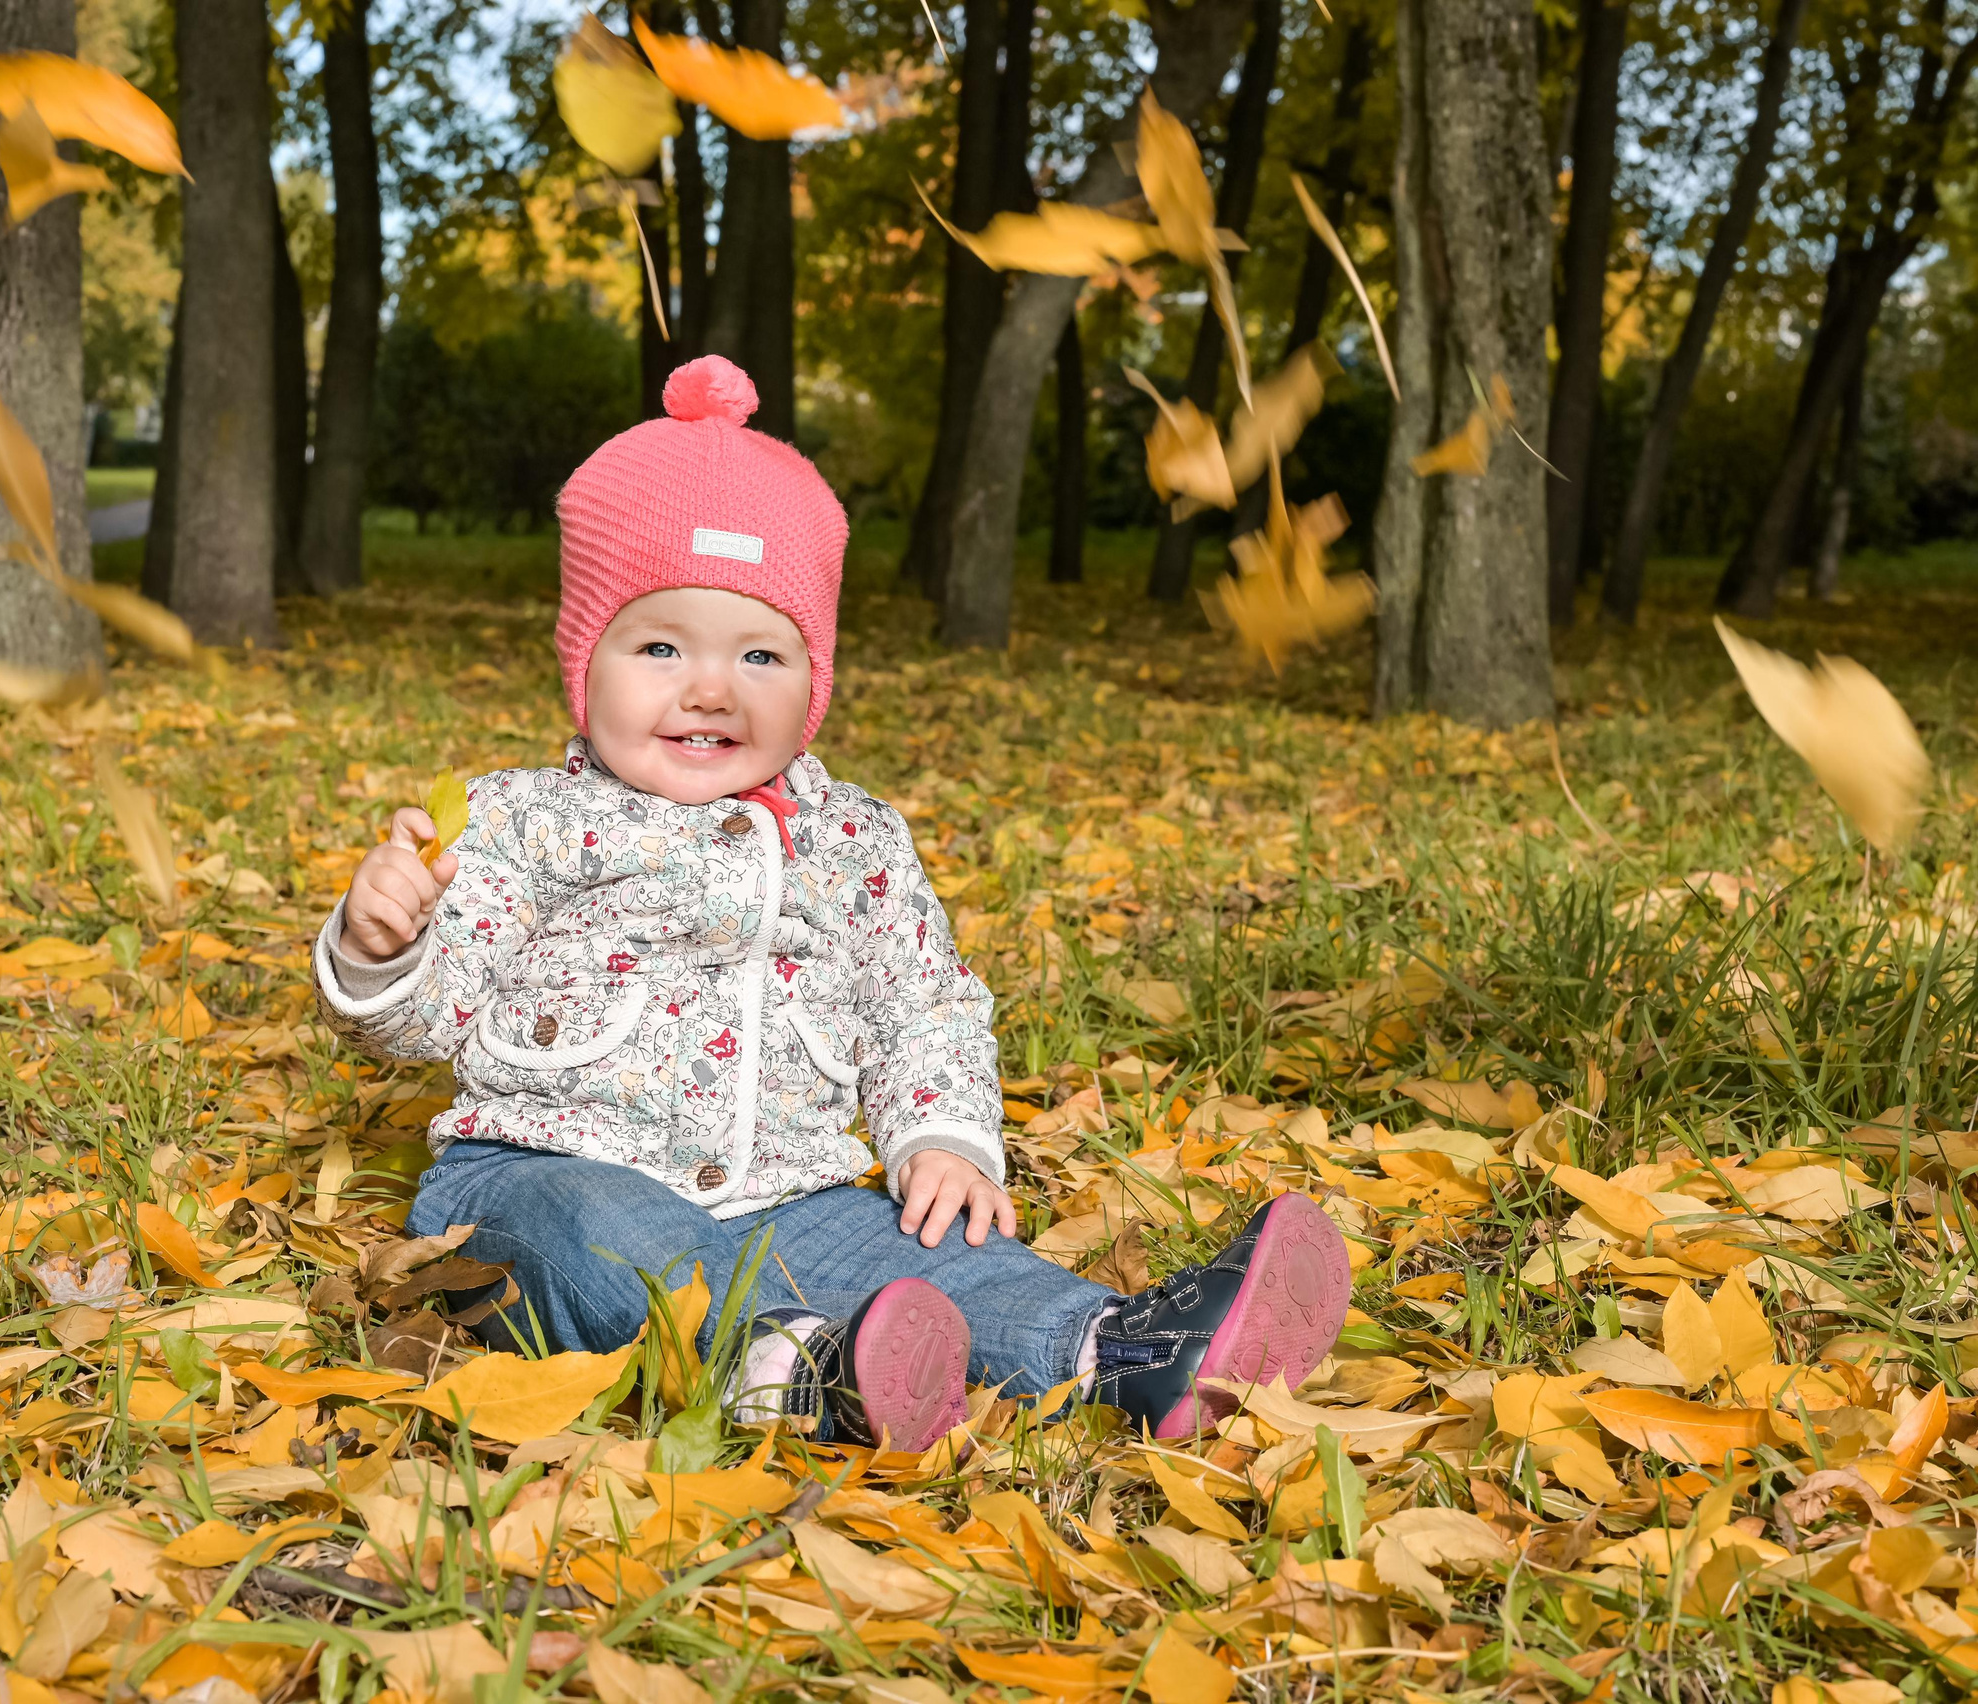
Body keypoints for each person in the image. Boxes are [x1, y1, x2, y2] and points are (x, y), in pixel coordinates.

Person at [316, 356, 1348, 1450]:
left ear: (816, 676)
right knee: (593, 1236)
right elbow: (422, 1024)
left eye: (760, 653)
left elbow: (923, 1002)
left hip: (792, 1194)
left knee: (928, 1250)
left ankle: (1126, 1349)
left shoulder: (852, 840)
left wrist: (941, 1135)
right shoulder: (518, 821)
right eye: (660, 646)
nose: (709, 688)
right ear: (586, 661)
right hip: (542, 1173)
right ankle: (779, 1366)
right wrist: (386, 944)